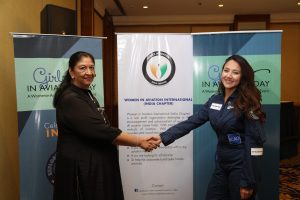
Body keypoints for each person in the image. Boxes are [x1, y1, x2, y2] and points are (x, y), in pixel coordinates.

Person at [156, 55, 266, 200]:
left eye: (235, 72)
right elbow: (191, 122)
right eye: (226, 70)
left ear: (242, 77)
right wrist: (162, 137)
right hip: (221, 163)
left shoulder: (247, 103)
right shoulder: (215, 100)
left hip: (241, 165)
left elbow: (255, 144)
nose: (229, 75)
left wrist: (248, 182)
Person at [53, 51, 159, 200]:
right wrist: (139, 141)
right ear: (71, 71)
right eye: (82, 68)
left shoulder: (85, 93)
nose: (89, 72)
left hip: (94, 167)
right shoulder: (71, 99)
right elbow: (101, 130)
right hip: (82, 171)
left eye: (91, 67)